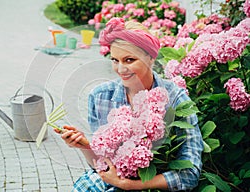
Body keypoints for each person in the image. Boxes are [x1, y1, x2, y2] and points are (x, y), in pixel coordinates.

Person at [59, 17, 204, 191]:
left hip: (153, 186)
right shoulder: (100, 97)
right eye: (115, 60)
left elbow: (190, 174)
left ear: (150, 58)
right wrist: (85, 146)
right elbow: (101, 165)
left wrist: (129, 185)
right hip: (107, 182)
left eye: (129, 60)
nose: (120, 69)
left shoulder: (175, 98)